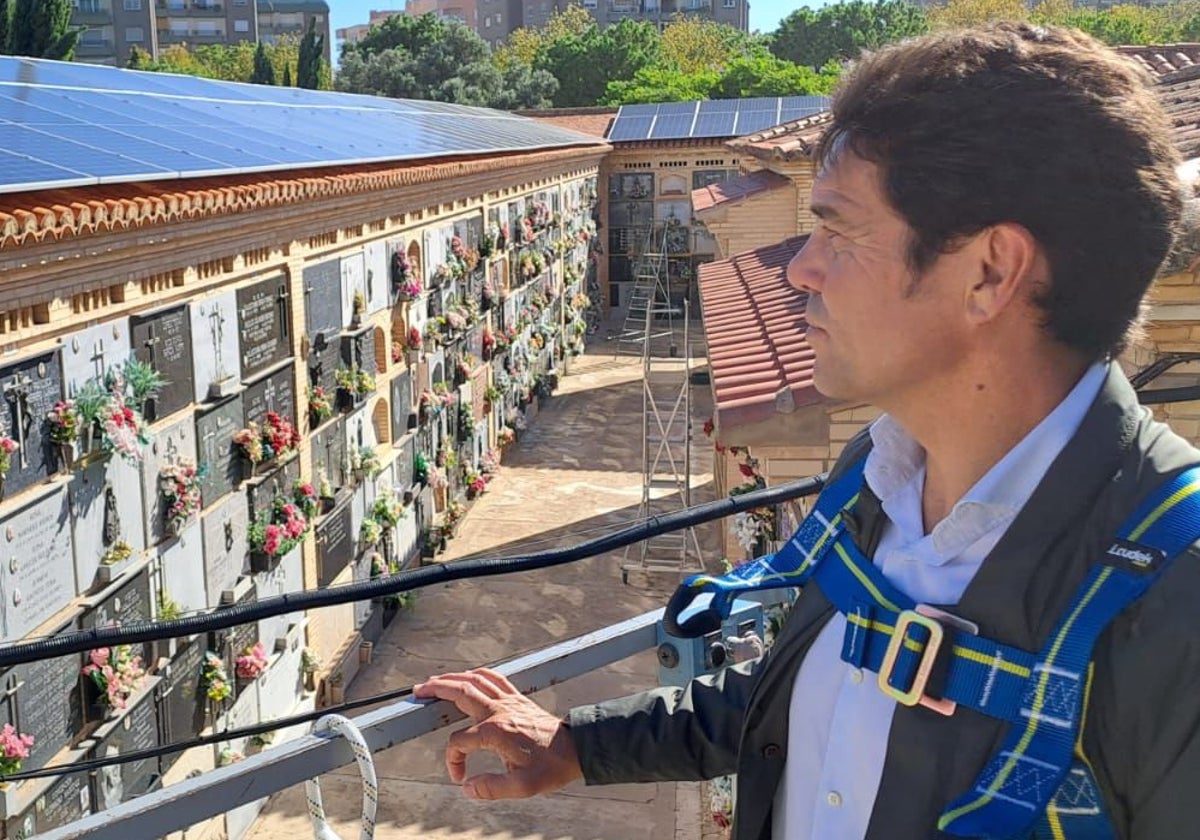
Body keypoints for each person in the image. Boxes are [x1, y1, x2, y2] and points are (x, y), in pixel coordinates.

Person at [415, 22, 1200, 839]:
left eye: (840, 231)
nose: (801, 268)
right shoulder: (876, 476)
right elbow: (797, 699)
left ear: (991, 272)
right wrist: (578, 745)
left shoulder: (1177, 599)